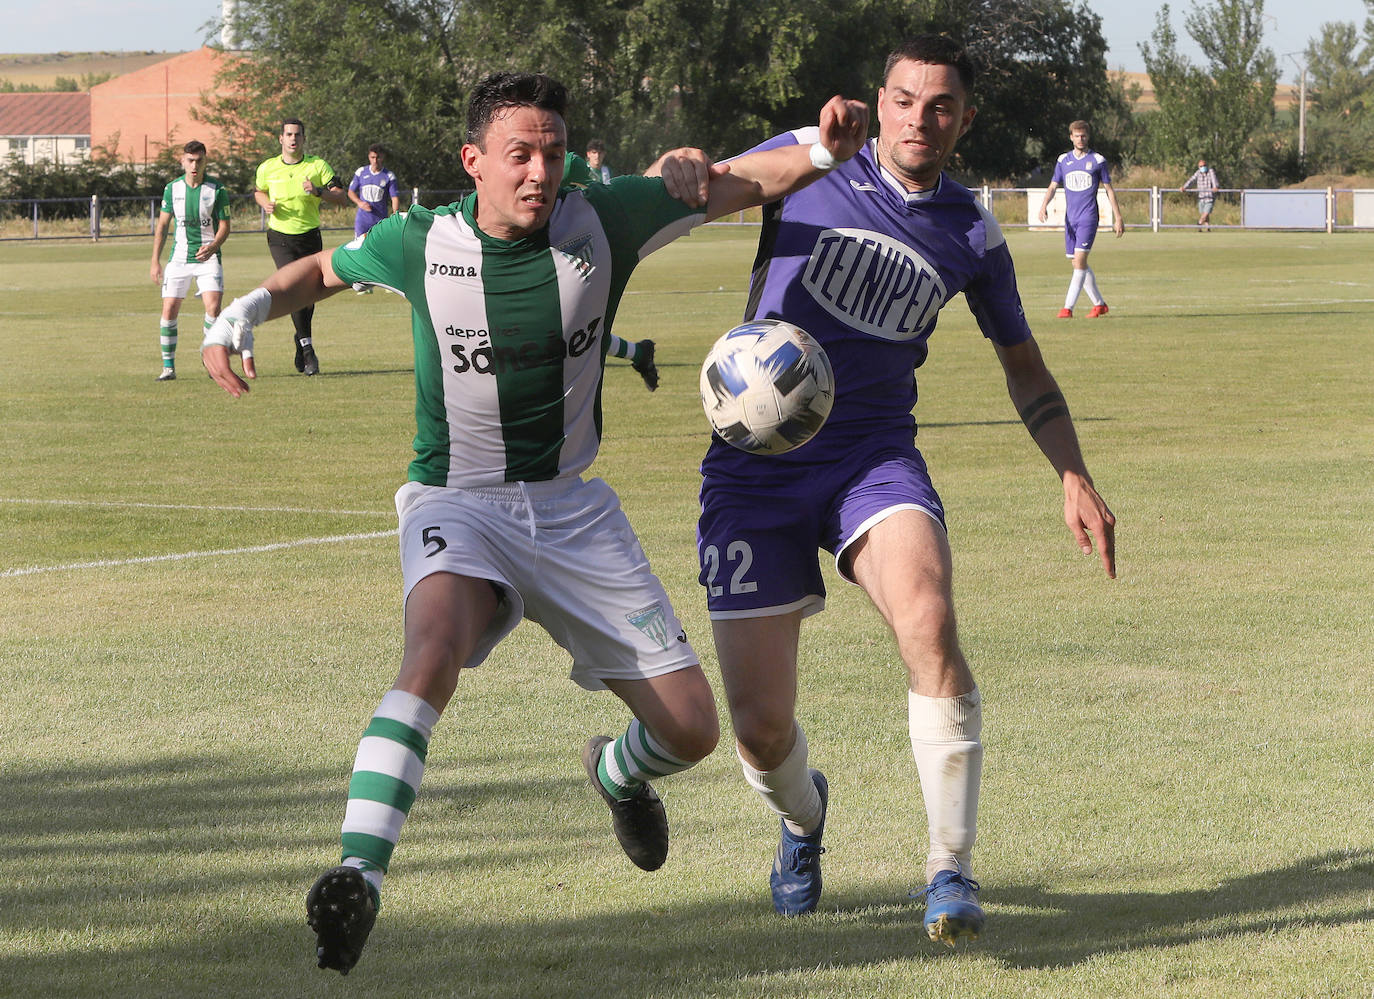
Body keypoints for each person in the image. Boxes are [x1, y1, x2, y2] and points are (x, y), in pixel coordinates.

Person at [202, 71, 868, 975]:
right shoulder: (418, 241)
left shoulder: (605, 219)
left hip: (573, 510)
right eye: (520, 153)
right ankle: (359, 873)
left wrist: (825, 145)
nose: (540, 170)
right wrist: (243, 309)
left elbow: (736, 184)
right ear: (473, 161)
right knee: (430, 652)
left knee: (693, 732)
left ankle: (616, 773)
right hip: (456, 503)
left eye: (553, 151)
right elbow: (321, 269)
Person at [678, 35, 1116, 946]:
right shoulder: (809, 162)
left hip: (872, 457)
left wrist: (1073, 471)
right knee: (760, 728)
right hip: (754, 467)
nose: (923, 118)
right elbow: (701, 191)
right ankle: (804, 820)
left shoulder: (971, 232)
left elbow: (1027, 372)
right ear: (879, 103)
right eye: (906, 99)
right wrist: (698, 164)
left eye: (943, 104)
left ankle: (949, 868)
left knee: (930, 621)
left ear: (964, 118)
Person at [254, 118, 350, 375]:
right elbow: (258, 190)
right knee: (295, 289)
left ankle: (300, 340)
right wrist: (264, 203)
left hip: (309, 237)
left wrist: (318, 191)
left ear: (303, 139)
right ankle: (308, 350)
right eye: (288, 134)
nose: (293, 138)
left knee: (308, 294)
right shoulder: (267, 167)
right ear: (280, 139)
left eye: (297, 134)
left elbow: (341, 197)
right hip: (280, 238)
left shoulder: (317, 165)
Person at [148, 140, 234, 382]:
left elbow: (225, 226)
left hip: (209, 257)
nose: (194, 165)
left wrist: (213, 247)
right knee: (169, 310)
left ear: (205, 161)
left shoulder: (217, 190)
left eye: (199, 160)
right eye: (190, 160)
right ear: (182, 161)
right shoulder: (172, 189)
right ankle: (168, 368)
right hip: (179, 258)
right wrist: (155, 261)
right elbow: (163, 226)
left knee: (213, 308)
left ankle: (209, 359)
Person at [1036, 119, 1124, 319]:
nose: (1080, 139)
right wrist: (1044, 206)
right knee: (1077, 263)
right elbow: (1052, 186)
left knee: (1080, 261)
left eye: (1084, 135)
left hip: (1088, 218)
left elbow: (1109, 190)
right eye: (1077, 135)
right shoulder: (1063, 161)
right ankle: (1099, 304)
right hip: (1070, 220)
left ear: (1088, 137)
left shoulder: (1098, 161)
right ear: (1071, 137)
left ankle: (1067, 308)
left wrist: (1118, 217)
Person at [347, 144, 402, 237]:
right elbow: (350, 192)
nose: (375, 160)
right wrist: (359, 203)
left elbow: (394, 198)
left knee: (380, 249)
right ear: (369, 157)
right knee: (359, 248)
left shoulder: (389, 176)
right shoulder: (361, 172)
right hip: (362, 221)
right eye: (372, 157)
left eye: (378, 157)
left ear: (382, 157)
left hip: (380, 221)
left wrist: (395, 215)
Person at [1180, 158, 1219, 230]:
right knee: (1204, 213)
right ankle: (1207, 227)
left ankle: (1199, 223)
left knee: (1206, 212)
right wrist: (1184, 187)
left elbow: (1214, 180)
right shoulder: (1198, 173)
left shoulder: (1210, 171)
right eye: (1201, 166)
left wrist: (1215, 187)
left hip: (1209, 196)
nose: (1202, 167)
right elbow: (1191, 180)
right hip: (1201, 197)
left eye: (1204, 165)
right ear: (1198, 167)